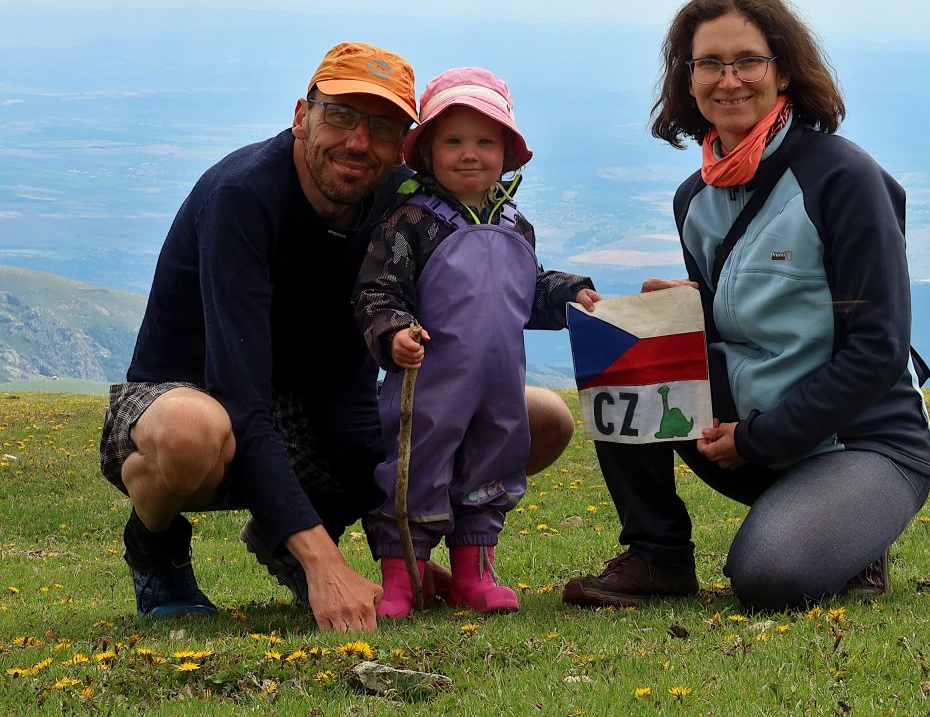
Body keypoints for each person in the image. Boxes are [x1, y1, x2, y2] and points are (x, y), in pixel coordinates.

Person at [99, 43, 578, 633]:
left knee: (541, 416)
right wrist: (325, 563)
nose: (358, 142)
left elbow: (365, 384)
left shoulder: (400, 200)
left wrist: (403, 552)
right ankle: (157, 547)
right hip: (194, 397)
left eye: (381, 126)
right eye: (341, 116)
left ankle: (295, 538)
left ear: (405, 142)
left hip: (311, 408)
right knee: (193, 432)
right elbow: (240, 394)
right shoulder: (243, 196)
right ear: (302, 116)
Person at [562, 0, 930, 611]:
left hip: (859, 441)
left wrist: (759, 440)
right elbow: (746, 324)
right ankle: (658, 555)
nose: (727, 79)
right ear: (688, 79)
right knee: (624, 350)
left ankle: (854, 534)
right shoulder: (695, 199)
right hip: (753, 430)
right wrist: (679, 314)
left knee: (768, 579)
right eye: (709, 63)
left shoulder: (844, 179)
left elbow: (878, 348)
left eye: (748, 61)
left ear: (782, 69)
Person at [354, 67, 599, 618]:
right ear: (428, 151)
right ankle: (403, 579)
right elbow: (376, 290)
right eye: (454, 141)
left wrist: (572, 293)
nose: (470, 154)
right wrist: (394, 333)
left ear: (508, 151)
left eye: (486, 140)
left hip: (499, 386)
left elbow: (528, 289)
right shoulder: (410, 221)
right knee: (413, 468)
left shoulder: (516, 224)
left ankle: (474, 574)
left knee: (492, 465)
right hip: (427, 386)